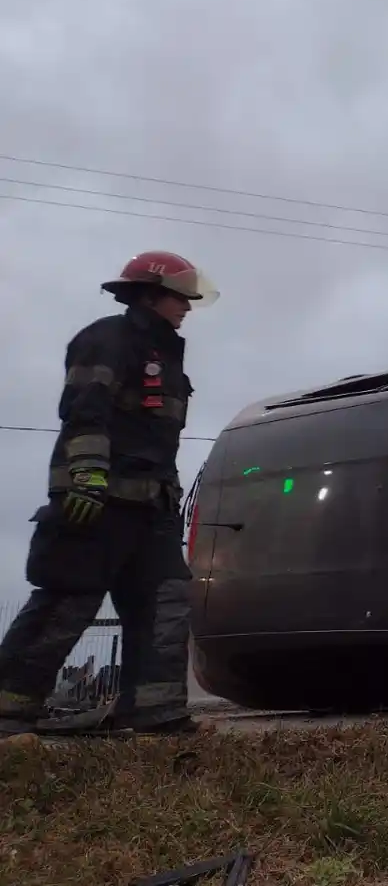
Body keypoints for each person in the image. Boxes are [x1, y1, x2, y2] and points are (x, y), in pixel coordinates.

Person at [0, 251, 217, 738]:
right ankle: (9, 710)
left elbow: (157, 440)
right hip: (97, 502)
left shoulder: (165, 355)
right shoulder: (107, 340)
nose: (188, 306)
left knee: (165, 603)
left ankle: (156, 713)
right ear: (149, 294)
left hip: (150, 510)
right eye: (180, 298)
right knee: (68, 600)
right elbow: (85, 412)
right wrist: (87, 476)